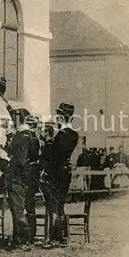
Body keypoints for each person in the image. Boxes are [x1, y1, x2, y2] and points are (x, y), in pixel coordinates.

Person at [0, 108, 33, 250]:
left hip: (17, 178)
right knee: (15, 210)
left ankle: (24, 240)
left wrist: (5, 157)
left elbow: (20, 161)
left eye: (14, 119)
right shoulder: (23, 135)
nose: (12, 121)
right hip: (17, 178)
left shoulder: (23, 136)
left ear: (18, 120)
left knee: (18, 211)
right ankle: (18, 238)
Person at [51, 103, 79, 246]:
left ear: (61, 118)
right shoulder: (74, 134)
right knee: (60, 204)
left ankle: (58, 237)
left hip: (57, 172)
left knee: (56, 205)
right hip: (66, 172)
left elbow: (54, 155)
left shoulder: (61, 135)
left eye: (57, 117)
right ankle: (63, 236)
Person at [23, 115, 42, 244]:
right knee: (29, 205)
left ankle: (30, 235)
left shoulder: (32, 140)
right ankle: (29, 234)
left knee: (28, 205)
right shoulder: (33, 139)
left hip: (30, 174)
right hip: (32, 173)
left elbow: (29, 158)